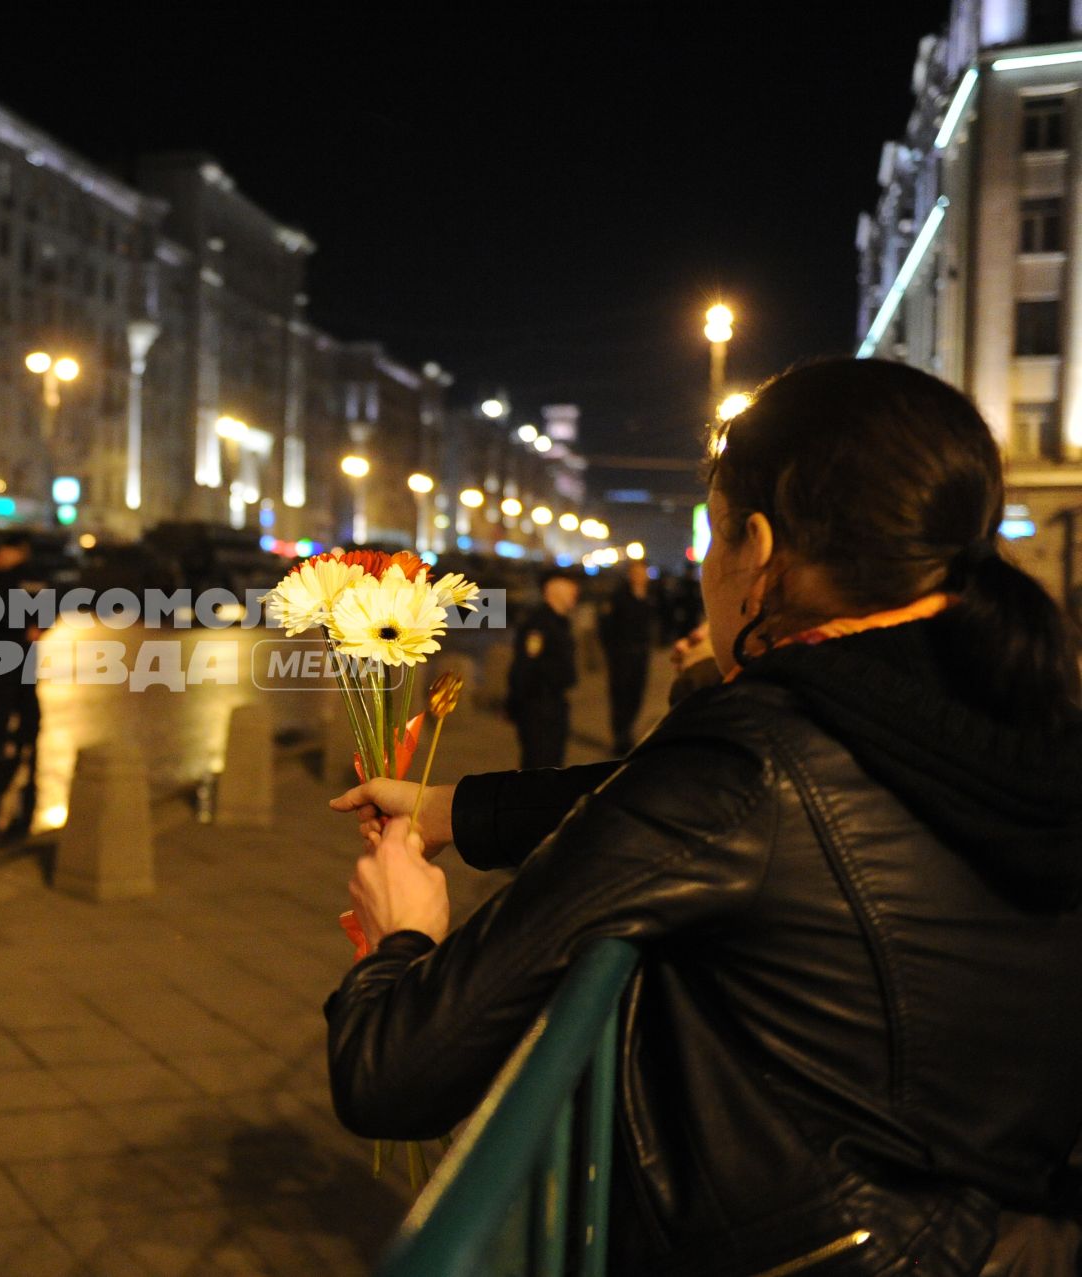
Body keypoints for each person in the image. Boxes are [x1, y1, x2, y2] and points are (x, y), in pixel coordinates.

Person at [326, 359, 1082, 1276]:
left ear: (758, 551)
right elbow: (739, 812)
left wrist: (403, 933)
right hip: (1006, 1230)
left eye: (715, 536)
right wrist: (459, 808)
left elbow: (392, 1071)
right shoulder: (1008, 706)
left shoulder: (751, 752)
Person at [0, 531, 45, 768]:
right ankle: (20, 741)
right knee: (16, 693)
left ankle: (7, 745)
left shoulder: (18, 577)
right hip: (9, 642)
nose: (1, 556)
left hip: (12, 643)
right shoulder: (7, 576)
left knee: (8, 695)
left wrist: (38, 627)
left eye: (4, 551)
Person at [505, 567, 579, 767]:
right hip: (538, 707)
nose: (575, 589)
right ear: (552, 588)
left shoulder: (560, 622)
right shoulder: (538, 624)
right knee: (538, 766)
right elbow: (525, 665)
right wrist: (517, 705)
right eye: (569, 584)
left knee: (553, 765)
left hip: (555, 704)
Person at [596, 566, 657, 753]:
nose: (641, 577)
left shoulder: (649, 595)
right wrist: (612, 652)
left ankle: (628, 732)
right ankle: (620, 738)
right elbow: (605, 627)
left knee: (636, 694)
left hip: (641, 653)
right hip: (622, 655)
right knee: (620, 696)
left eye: (643, 573)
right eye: (637, 573)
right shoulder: (618, 596)